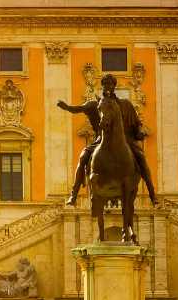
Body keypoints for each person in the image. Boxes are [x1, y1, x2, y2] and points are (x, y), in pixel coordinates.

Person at [58, 73, 157, 206]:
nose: (107, 87)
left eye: (110, 84)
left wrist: (138, 133)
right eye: (105, 85)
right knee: (83, 158)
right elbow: (80, 108)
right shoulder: (96, 104)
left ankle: (152, 195)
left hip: (126, 141)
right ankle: (73, 195)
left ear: (114, 86)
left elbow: (136, 123)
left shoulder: (125, 105)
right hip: (100, 141)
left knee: (142, 159)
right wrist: (67, 107)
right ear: (103, 86)